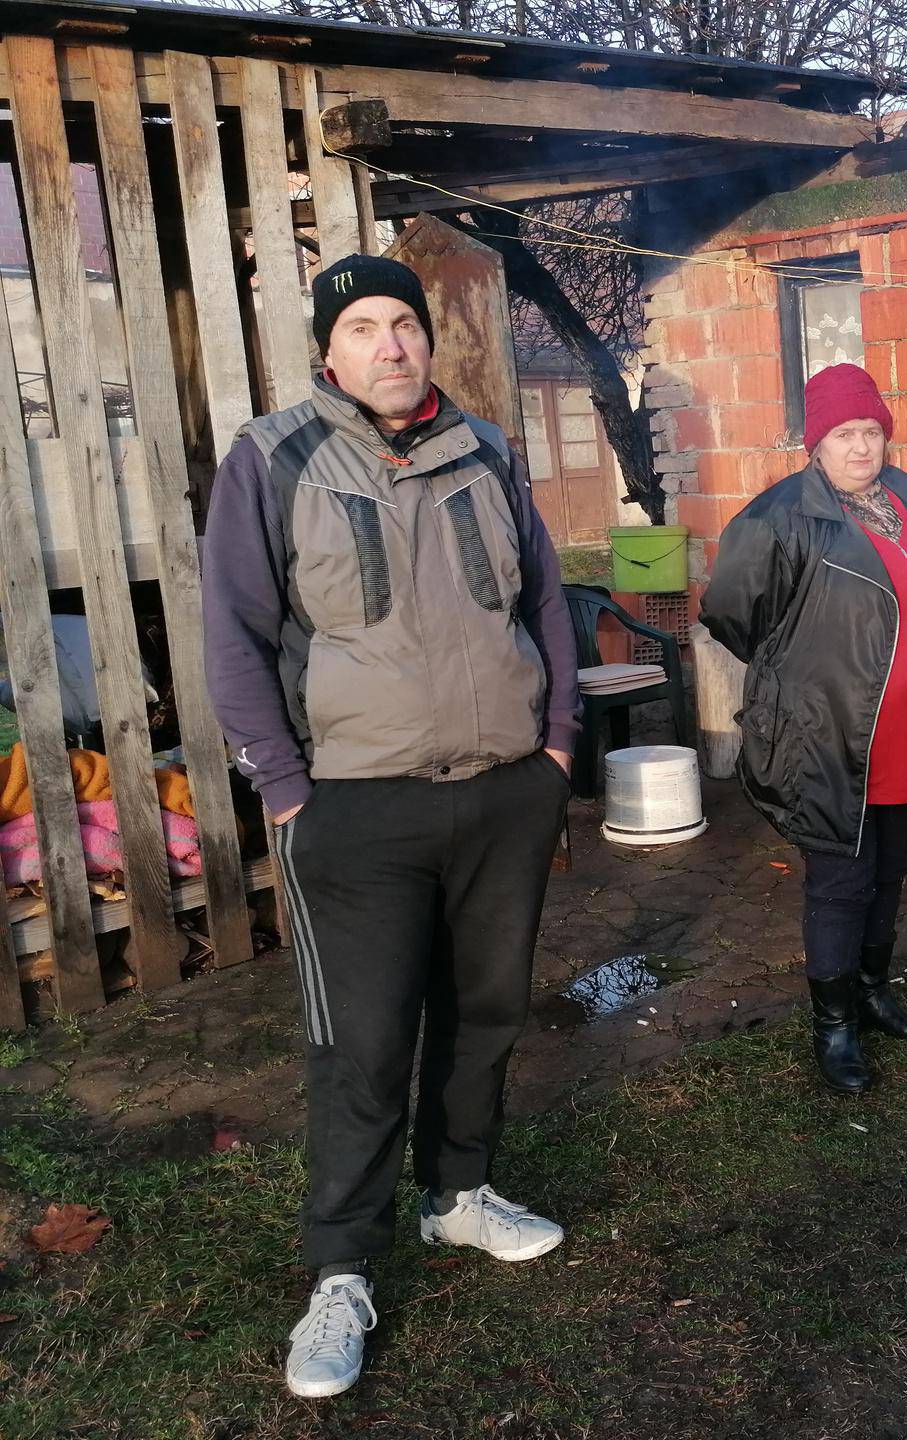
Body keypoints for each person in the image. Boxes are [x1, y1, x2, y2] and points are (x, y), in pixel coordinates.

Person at [203, 254, 580, 1398]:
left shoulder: (485, 450)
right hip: (355, 807)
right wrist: (283, 787)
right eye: (362, 326)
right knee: (361, 1044)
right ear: (330, 350)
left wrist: (557, 745)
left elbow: (547, 601)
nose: (389, 345)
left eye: (403, 323)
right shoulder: (274, 459)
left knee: (487, 1012)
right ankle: (341, 1270)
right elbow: (232, 631)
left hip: (502, 789)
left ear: (428, 340)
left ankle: (458, 1195)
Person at [701, 363, 907, 1094]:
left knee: (891, 870)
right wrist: (801, 675)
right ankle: (834, 1029)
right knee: (840, 881)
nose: (860, 447)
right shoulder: (777, 520)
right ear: (814, 443)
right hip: (831, 739)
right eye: (843, 434)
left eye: (870, 431)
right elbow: (733, 614)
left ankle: (871, 990)